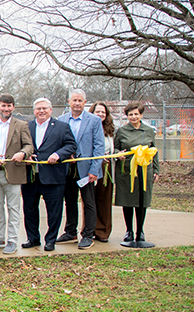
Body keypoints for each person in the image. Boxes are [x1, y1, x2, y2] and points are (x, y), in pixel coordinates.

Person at [22, 98, 77, 252]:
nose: (41, 111)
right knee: (29, 210)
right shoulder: (27, 126)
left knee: (54, 211)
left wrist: (58, 154)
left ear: (51, 110)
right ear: (34, 111)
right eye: (38, 108)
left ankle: (50, 240)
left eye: (44, 108)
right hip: (31, 176)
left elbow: (71, 145)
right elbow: (20, 145)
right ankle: (33, 238)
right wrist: (25, 155)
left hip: (53, 176)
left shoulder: (62, 127)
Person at [0, 94, 33, 254]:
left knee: (13, 208)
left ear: (13, 107)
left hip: (13, 172)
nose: (6, 108)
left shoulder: (22, 125)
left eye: (9, 106)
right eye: (3, 105)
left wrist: (22, 153)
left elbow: (29, 145)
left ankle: (12, 240)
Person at [56, 89, 105, 249]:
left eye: (80, 101)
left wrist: (94, 170)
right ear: (69, 102)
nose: (77, 103)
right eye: (74, 100)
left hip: (86, 170)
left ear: (85, 102)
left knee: (88, 202)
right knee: (70, 201)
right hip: (68, 168)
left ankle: (88, 235)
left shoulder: (94, 120)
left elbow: (99, 146)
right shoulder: (61, 120)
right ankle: (70, 231)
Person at [114, 102, 160, 248]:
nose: (133, 117)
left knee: (142, 200)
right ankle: (129, 230)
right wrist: (118, 154)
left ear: (141, 115)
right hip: (127, 170)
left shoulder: (149, 131)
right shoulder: (122, 131)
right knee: (127, 200)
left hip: (144, 170)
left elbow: (154, 151)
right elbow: (116, 148)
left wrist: (156, 170)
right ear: (127, 116)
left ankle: (140, 230)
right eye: (130, 114)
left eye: (136, 114)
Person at [90, 101, 116, 242]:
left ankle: (103, 231)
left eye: (103, 112)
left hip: (106, 168)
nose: (100, 114)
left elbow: (114, 148)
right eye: (97, 111)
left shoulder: (110, 130)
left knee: (104, 200)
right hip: (91, 167)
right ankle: (89, 229)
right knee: (90, 200)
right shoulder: (88, 127)